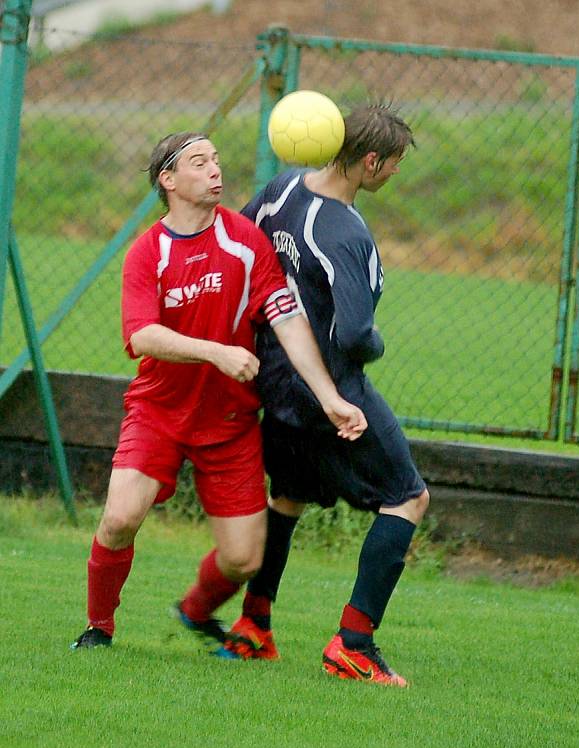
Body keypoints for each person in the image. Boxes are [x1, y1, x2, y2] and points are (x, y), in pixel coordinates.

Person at [70, 131, 366, 650]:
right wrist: (216, 351)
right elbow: (141, 335)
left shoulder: (245, 241)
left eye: (216, 161)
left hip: (227, 424)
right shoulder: (147, 253)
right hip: (157, 412)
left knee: (243, 560)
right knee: (118, 519)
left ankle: (196, 609)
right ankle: (99, 628)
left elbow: (288, 320)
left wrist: (329, 398)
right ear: (168, 180)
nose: (214, 170)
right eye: (199, 162)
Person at [225, 104, 430, 687]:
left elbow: (243, 244)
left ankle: (252, 628)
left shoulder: (281, 188)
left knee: (289, 496)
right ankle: (354, 643)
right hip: (332, 393)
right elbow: (355, 333)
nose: (393, 173)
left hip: (275, 381)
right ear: (369, 161)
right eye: (391, 164)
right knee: (407, 498)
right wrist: (377, 346)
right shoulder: (344, 231)